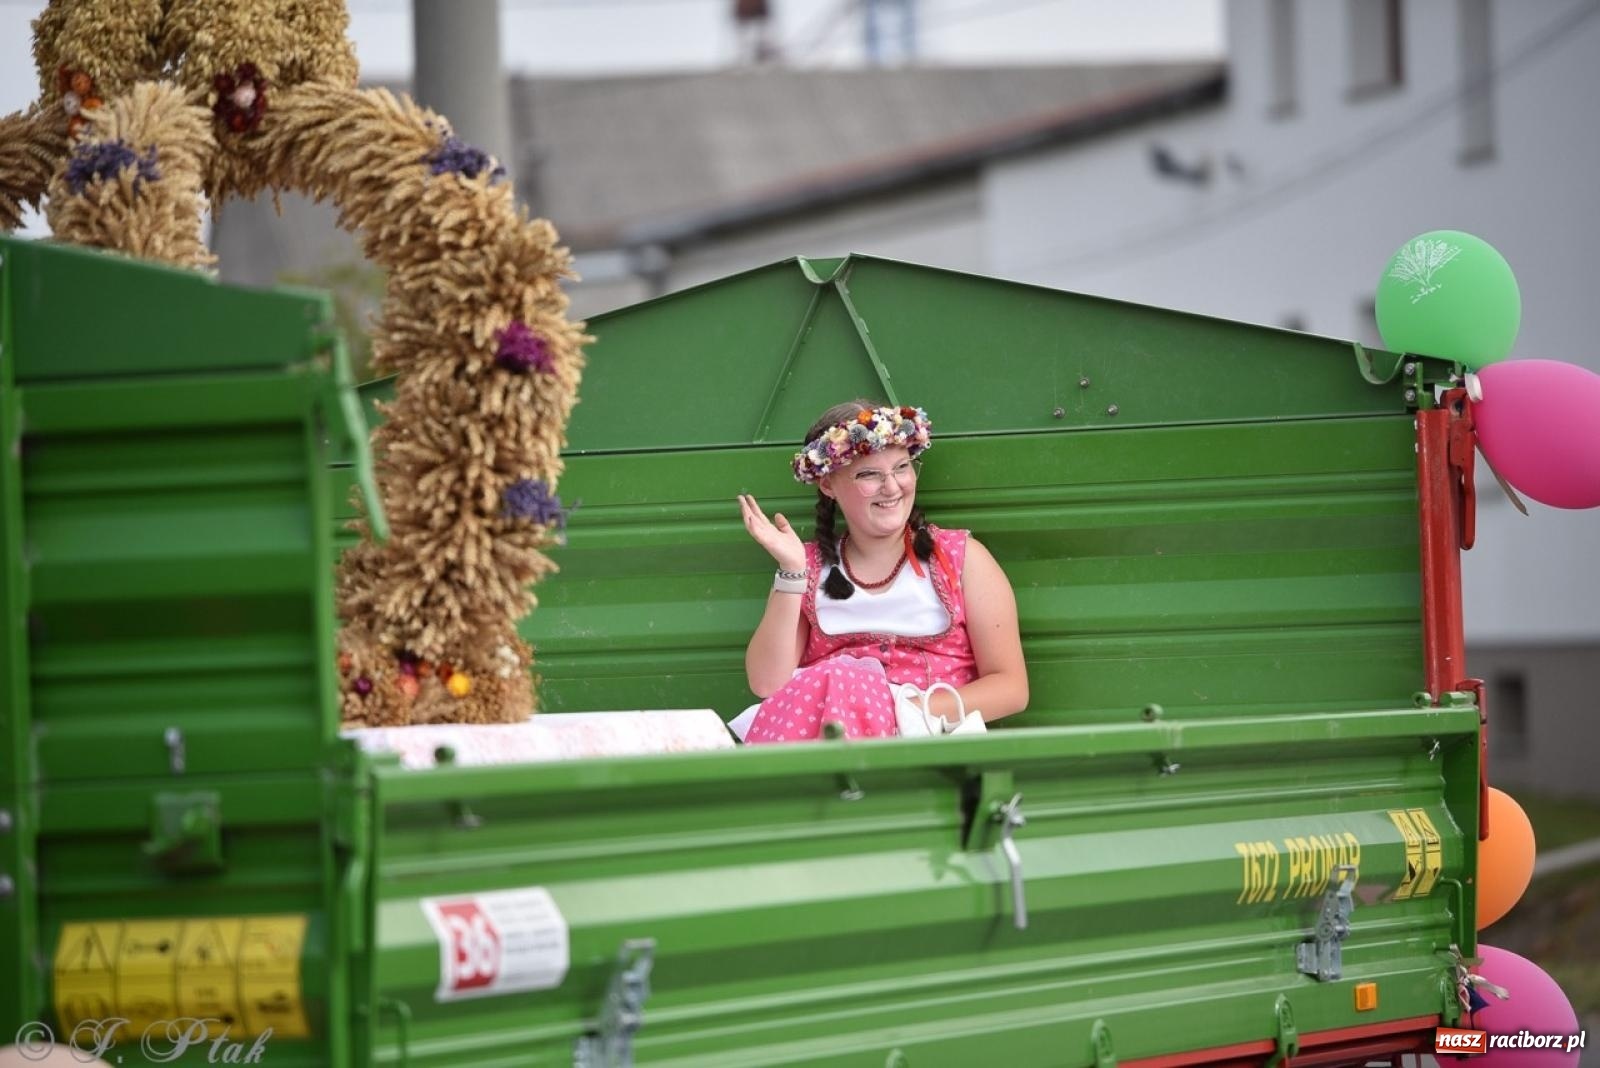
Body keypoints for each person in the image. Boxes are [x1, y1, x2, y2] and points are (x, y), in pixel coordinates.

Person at [734, 400, 1028, 743]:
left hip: (928, 744)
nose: (892, 487)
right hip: (822, 745)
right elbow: (767, 683)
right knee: (837, 679)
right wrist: (792, 571)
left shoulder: (961, 559)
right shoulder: (809, 568)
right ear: (828, 485)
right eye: (869, 474)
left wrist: (899, 707)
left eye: (902, 467)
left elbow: (1011, 688)